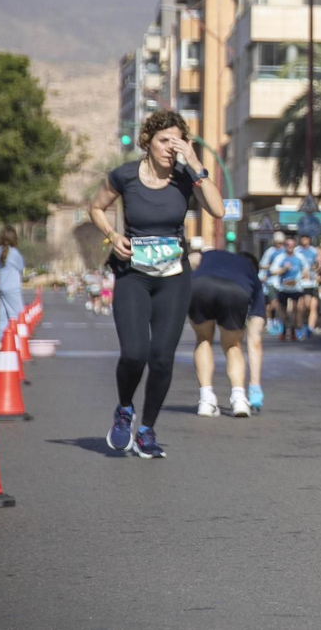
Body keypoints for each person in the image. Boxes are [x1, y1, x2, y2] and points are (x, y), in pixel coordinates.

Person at [87, 110, 224, 458]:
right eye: (164, 141)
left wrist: (194, 162)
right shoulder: (125, 176)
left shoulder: (185, 177)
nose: (170, 148)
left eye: (177, 141)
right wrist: (112, 236)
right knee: (135, 353)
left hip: (173, 279)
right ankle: (124, 410)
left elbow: (219, 210)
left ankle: (147, 429)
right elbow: (97, 208)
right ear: (147, 142)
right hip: (133, 275)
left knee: (161, 358)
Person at [187, 247, 263, 418]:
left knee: (203, 339)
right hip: (235, 290)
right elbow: (255, 338)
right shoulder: (251, 273)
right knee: (232, 345)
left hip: (200, 285)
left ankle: (206, 400)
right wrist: (255, 385)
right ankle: (239, 399)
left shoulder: (211, 253)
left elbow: (192, 259)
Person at [0, 226, 26, 346]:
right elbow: (21, 267)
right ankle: (18, 340)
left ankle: (2, 339)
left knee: (3, 314)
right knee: (17, 313)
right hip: (13, 288)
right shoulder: (15, 253)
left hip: (1, 287)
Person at [270, 235, 306, 340]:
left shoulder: (299, 257)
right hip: (283, 287)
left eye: (291, 245)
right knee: (283, 310)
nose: (289, 247)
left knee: (295, 309)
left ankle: (293, 330)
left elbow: (306, 270)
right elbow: (273, 271)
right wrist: (283, 269)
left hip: (296, 288)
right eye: (287, 245)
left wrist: (302, 276)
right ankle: (284, 330)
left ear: (295, 246)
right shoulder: (280, 257)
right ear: (285, 246)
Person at [296, 232, 321, 337]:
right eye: (303, 238)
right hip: (300, 283)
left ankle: (310, 327)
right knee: (300, 306)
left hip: (312, 283)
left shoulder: (314, 251)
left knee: (311, 305)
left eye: (307, 238)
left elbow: (319, 264)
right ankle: (300, 326)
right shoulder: (297, 251)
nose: (304, 240)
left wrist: (317, 269)